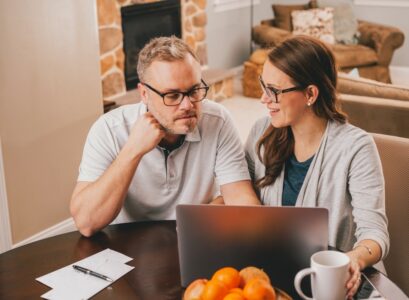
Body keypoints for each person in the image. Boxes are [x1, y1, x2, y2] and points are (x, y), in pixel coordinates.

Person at [70, 36, 259, 237]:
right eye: (172, 95)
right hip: (125, 246)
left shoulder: (218, 121)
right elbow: (86, 223)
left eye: (194, 90)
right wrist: (132, 150)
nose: (187, 105)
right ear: (144, 94)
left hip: (195, 235)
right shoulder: (109, 128)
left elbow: (241, 200)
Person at [245, 36, 389, 299]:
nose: (264, 99)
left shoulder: (356, 147)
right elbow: (239, 202)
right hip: (274, 281)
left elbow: (375, 234)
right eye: (263, 86)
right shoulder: (260, 134)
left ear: (310, 94)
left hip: (335, 287)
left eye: (274, 90)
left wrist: (354, 259)